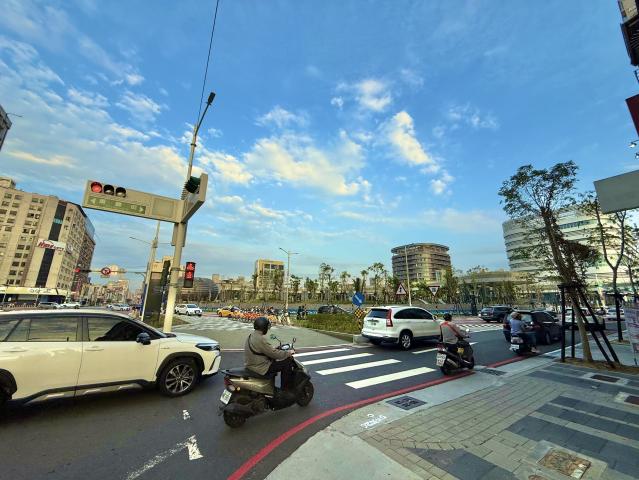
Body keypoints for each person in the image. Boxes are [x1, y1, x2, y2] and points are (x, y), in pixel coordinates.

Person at [244, 316, 295, 390]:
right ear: (264, 327)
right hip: (260, 367)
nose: (267, 329)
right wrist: (288, 353)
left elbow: (263, 349)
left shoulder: (252, 335)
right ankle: (286, 390)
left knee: (278, 362)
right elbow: (274, 354)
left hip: (252, 364)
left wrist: (273, 348)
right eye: (267, 327)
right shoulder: (260, 339)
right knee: (287, 362)